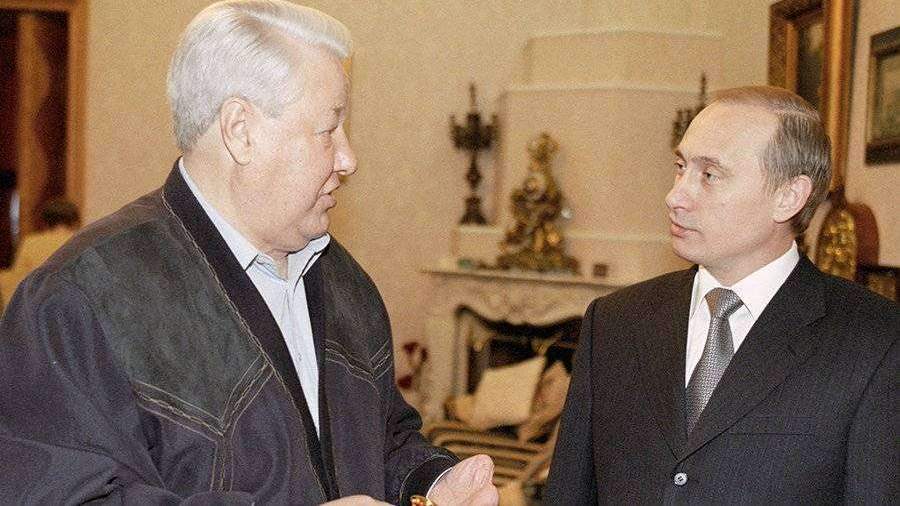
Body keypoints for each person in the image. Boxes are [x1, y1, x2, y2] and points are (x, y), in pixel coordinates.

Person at [0, 2, 498, 505]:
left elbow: (385, 436)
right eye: (329, 129)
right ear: (241, 130)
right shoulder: (76, 299)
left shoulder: (345, 280)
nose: (349, 159)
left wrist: (430, 482)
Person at [546, 86, 899, 503]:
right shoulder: (614, 321)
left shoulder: (875, 341)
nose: (675, 196)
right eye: (681, 167)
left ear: (788, 197)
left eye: (709, 175)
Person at [0, 198, 79, 306]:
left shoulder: (31, 243)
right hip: (72, 305)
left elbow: (18, 280)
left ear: (45, 222)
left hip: (38, 305)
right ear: (75, 221)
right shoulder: (81, 242)